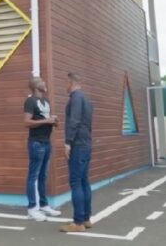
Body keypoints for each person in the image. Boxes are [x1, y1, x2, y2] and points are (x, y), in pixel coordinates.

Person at [23, 77, 61, 221]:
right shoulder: (30, 101)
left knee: (43, 176)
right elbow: (26, 122)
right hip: (36, 143)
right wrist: (47, 120)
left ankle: (44, 205)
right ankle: (32, 208)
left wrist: (54, 121)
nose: (45, 84)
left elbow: (46, 121)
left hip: (46, 142)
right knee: (33, 176)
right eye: (42, 82)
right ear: (35, 86)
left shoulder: (46, 102)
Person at [60, 72, 94, 233]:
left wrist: (68, 142)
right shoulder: (86, 99)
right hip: (86, 143)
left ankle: (78, 223)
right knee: (84, 181)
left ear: (71, 82)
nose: (64, 86)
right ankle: (86, 219)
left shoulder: (76, 98)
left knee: (75, 182)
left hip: (78, 145)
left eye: (65, 83)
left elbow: (74, 120)